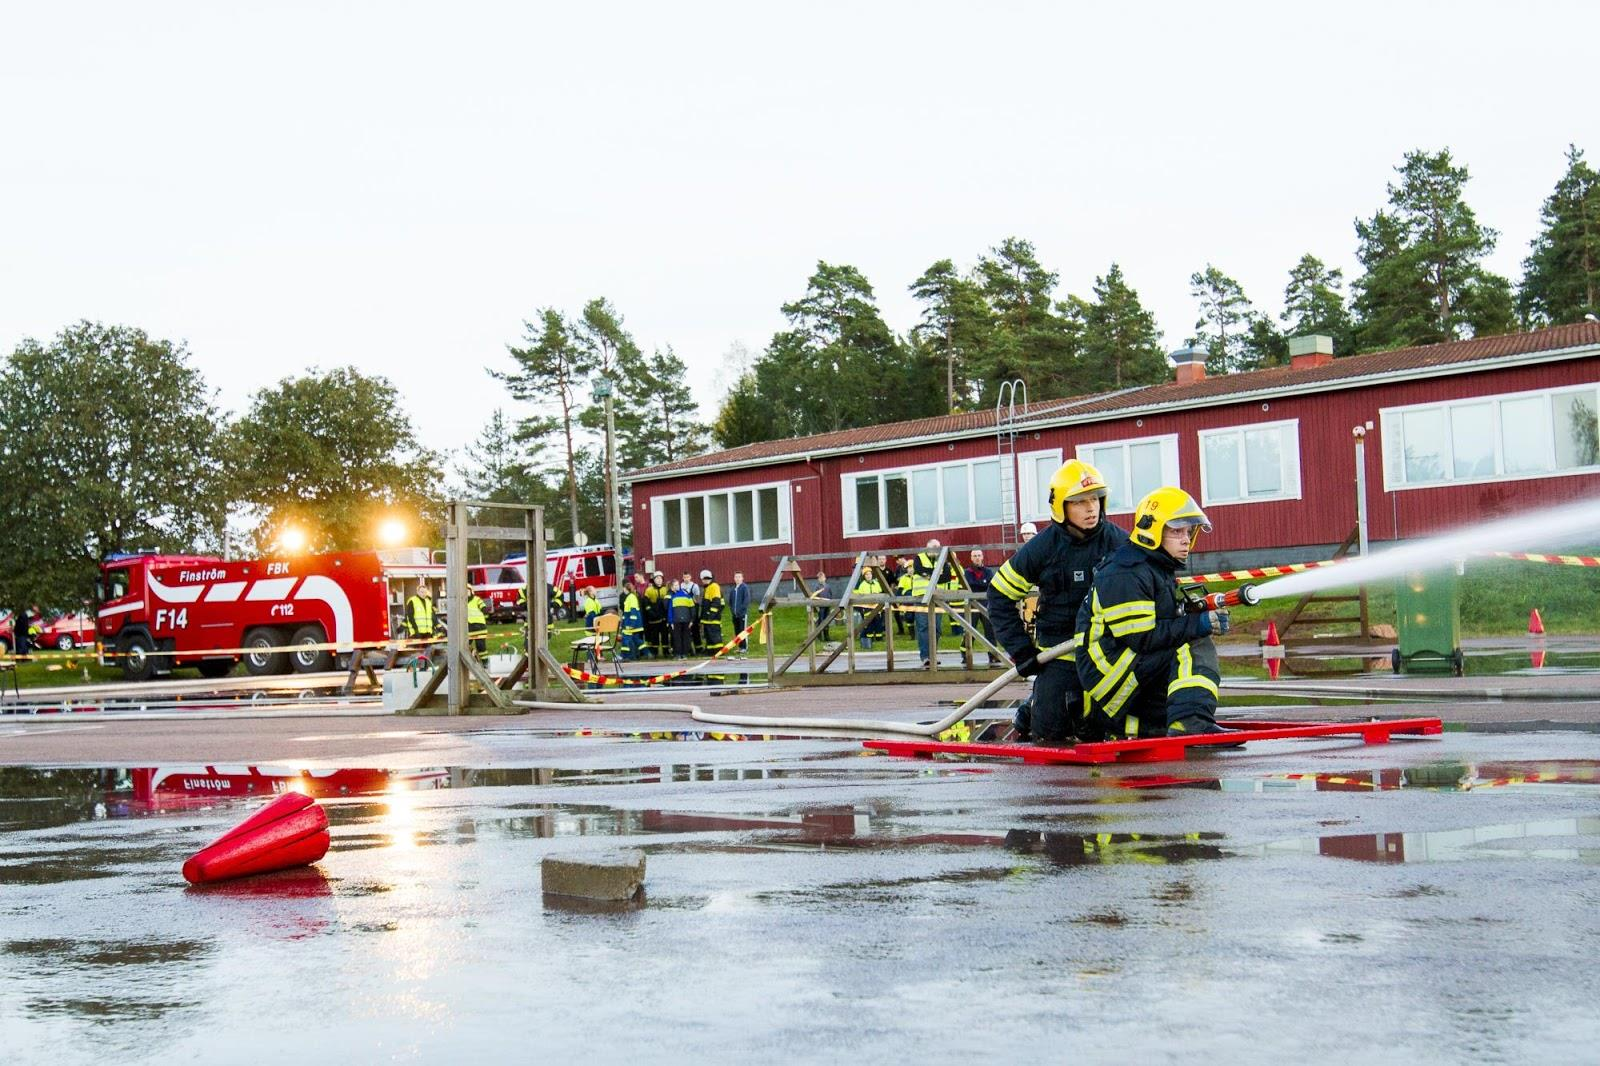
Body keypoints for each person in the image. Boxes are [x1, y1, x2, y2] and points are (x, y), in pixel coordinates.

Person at [989, 460, 1128, 745]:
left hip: (1110, 655)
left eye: (1095, 499)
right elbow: (999, 594)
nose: (1091, 509)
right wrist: (1020, 650)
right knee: (1050, 733)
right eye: (1079, 502)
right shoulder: (1042, 547)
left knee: (1116, 728)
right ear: (1060, 506)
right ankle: (1035, 706)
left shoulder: (1121, 543)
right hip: (1060, 655)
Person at [1075, 486, 1229, 741]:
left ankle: (1170, 721)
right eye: (1176, 531)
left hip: (1123, 668)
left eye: (1188, 532)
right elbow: (1141, 638)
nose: (1185, 540)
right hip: (1109, 675)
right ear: (1152, 530)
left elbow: (1158, 624)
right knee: (1193, 644)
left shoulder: (1154, 565)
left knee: (1162, 719)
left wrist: (1193, 612)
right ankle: (1192, 722)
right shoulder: (1127, 571)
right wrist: (1197, 624)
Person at [911, 540, 962, 666]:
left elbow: (947, 576)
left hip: (937, 598)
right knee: (923, 627)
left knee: (937, 628)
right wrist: (935, 574)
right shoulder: (919, 557)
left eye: (937, 547)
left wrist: (928, 575)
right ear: (927, 547)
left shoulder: (943, 559)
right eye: (933, 547)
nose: (935, 549)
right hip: (921, 597)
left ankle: (933, 655)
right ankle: (925, 656)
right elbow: (918, 570)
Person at [965, 549, 996, 666]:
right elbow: (970, 584)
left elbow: (990, 584)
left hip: (986, 604)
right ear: (971, 558)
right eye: (974, 556)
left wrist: (979, 584)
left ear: (982, 557)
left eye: (979, 555)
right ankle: (965, 656)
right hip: (972, 605)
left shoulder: (988, 571)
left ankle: (993, 656)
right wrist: (983, 583)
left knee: (990, 631)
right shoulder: (967, 572)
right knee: (969, 630)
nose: (977, 558)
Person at [854, 564, 885, 650]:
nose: (868, 576)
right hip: (867, 607)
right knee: (869, 623)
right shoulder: (862, 585)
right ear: (864, 576)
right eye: (866, 575)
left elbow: (880, 593)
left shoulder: (876, 583)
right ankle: (869, 639)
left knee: (878, 623)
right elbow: (861, 596)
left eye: (870, 574)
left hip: (877, 607)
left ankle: (879, 638)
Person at [642, 572, 669, 658]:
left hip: (664, 617)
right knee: (654, 636)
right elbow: (646, 603)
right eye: (657, 578)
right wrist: (651, 612)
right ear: (653, 580)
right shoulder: (649, 590)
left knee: (665, 635)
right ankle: (654, 652)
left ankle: (666, 652)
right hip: (653, 617)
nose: (659, 580)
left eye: (660, 578)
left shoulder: (666, 589)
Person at [698, 570, 725, 653]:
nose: (704, 581)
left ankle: (717, 651)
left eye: (706, 579)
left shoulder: (714, 586)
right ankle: (710, 651)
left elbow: (716, 602)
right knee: (708, 635)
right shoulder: (707, 587)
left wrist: (711, 614)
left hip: (712, 618)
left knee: (714, 635)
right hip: (708, 618)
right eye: (703, 579)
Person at [669, 579, 696, 658]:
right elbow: (671, 610)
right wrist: (671, 622)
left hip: (683, 620)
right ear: (672, 587)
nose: (676, 587)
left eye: (677, 585)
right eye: (675, 585)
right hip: (678, 620)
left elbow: (692, 608)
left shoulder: (683, 596)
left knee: (682, 637)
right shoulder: (674, 596)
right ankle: (682, 654)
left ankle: (681, 654)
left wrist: (692, 620)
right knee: (682, 637)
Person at [404, 581, 437, 645]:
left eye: (425, 592)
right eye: (422, 592)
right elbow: (410, 617)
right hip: (416, 632)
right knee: (418, 652)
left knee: (428, 652)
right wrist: (415, 629)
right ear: (417, 592)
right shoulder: (412, 601)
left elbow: (431, 616)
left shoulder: (428, 602)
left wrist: (433, 629)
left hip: (428, 632)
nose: (423, 594)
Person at [620, 582, 645, 659]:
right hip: (630, 624)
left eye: (624, 588)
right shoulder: (630, 597)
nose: (623, 590)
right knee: (636, 640)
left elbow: (633, 612)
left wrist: (631, 624)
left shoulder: (631, 597)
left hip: (630, 624)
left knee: (626, 640)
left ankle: (626, 656)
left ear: (627, 589)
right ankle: (646, 653)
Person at [728, 571, 751, 656]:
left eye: (739, 577)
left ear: (742, 578)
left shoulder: (744, 588)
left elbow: (746, 600)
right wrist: (732, 611)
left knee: (743, 631)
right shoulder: (733, 590)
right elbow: (730, 602)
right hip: (735, 615)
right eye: (736, 577)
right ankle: (740, 647)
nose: (737, 579)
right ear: (734, 578)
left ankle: (744, 647)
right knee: (737, 631)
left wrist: (741, 610)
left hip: (742, 614)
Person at [465, 591, 490, 663]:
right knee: (464, 646)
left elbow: (483, 607)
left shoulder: (477, 599)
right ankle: (474, 656)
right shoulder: (461, 601)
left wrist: (485, 610)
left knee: (481, 647)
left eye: (467, 590)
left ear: (471, 591)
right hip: (468, 628)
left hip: (480, 627)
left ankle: (485, 662)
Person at [680, 571, 702, 650]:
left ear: (690, 577)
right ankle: (688, 648)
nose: (686, 579)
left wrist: (695, 608)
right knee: (686, 630)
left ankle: (698, 647)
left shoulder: (694, 586)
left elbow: (697, 597)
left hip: (693, 608)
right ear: (682, 578)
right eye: (684, 577)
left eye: (687, 577)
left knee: (695, 628)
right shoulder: (681, 586)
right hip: (684, 609)